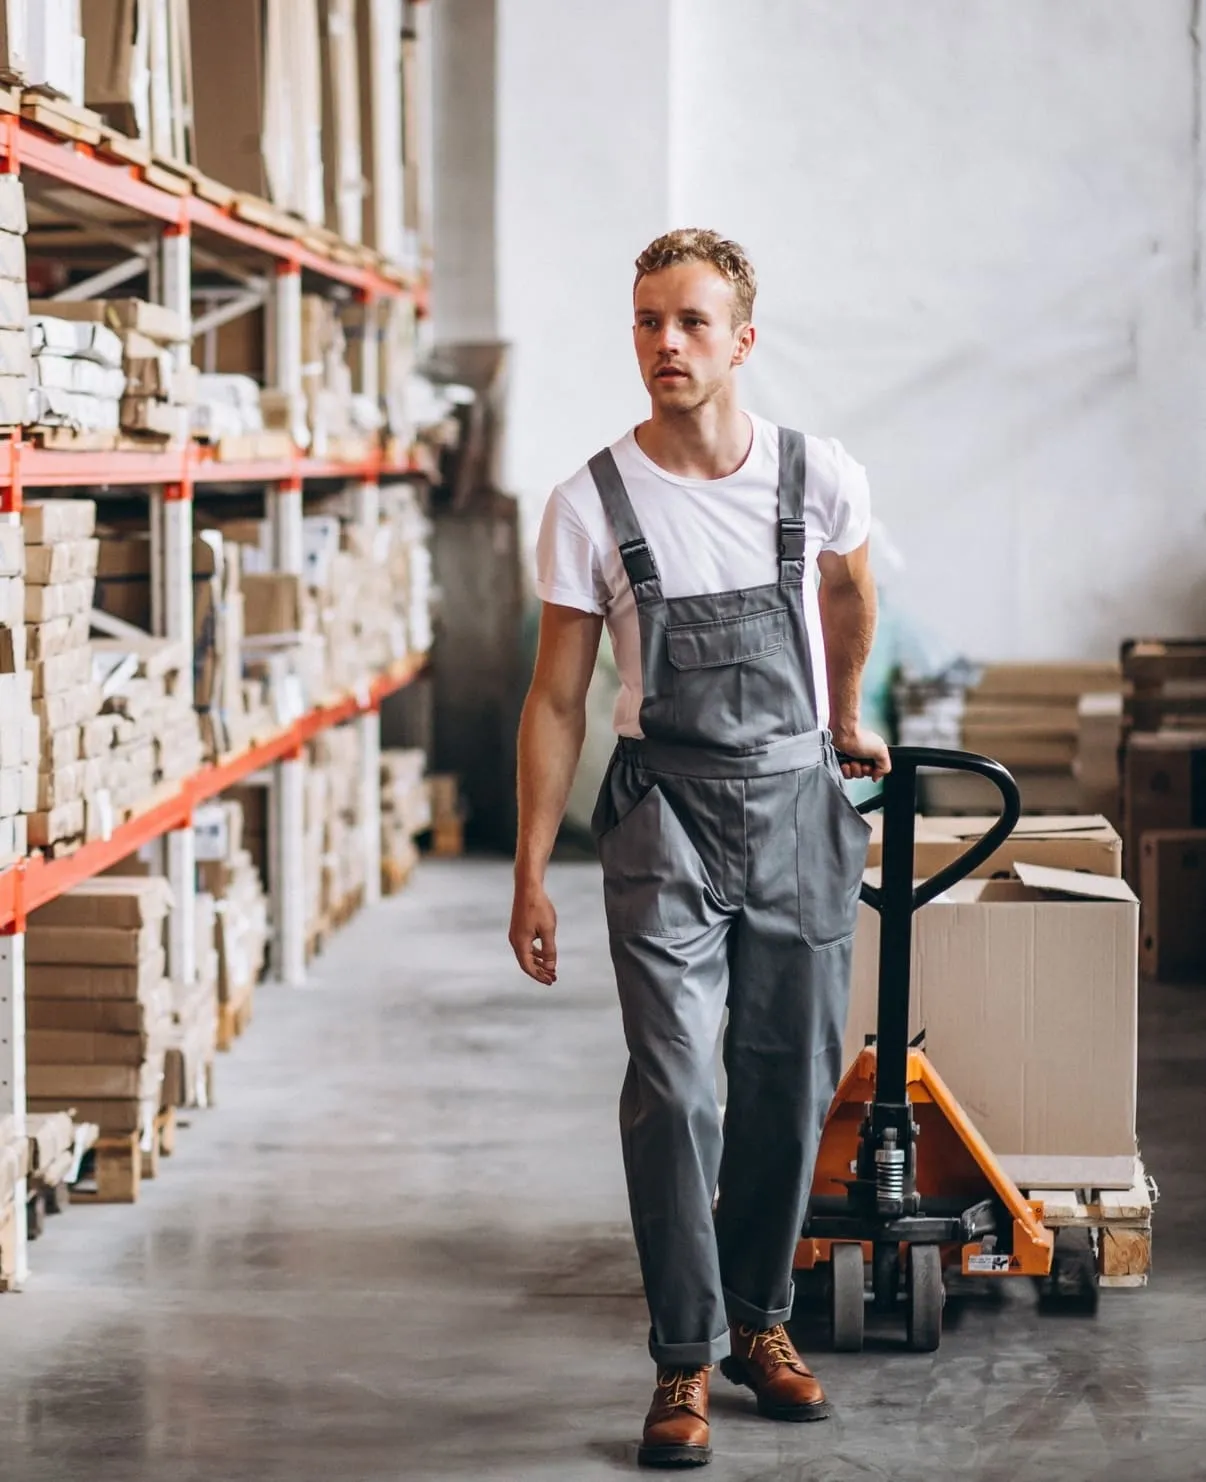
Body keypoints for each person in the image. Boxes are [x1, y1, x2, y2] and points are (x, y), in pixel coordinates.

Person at [509, 228, 890, 1470]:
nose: (665, 344)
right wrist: (529, 872)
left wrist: (845, 716)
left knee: (789, 1078)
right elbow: (556, 699)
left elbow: (851, 591)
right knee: (675, 1088)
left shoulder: (814, 474)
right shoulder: (591, 502)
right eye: (647, 322)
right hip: (661, 814)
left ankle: (760, 1323)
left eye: (690, 322)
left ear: (742, 340)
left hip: (796, 807)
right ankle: (684, 1354)